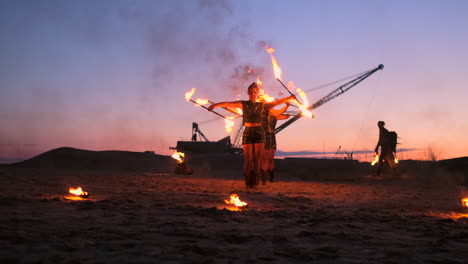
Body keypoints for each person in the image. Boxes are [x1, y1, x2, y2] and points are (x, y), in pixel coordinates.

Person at [208, 82, 295, 189]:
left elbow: (277, 102)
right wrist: (215, 105)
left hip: (259, 132)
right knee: (248, 159)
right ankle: (247, 182)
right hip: (248, 132)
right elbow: (228, 103)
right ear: (248, 93)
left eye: (254, 92)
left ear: (257, 93)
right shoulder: (243, 104)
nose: (252, 94)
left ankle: (255, 183)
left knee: (257, 159)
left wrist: (289, 98)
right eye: (250, 92)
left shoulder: (262, 105)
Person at [259, 97, 291, 184]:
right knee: (265, 159)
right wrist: (287, 105)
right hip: (265, 136)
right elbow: (279, 113)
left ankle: (270, 179)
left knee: (270, 159)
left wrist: (286, 115)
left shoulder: (272, 114)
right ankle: (265, 180)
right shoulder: (263, 112)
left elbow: (283, 116)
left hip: (271, 136)